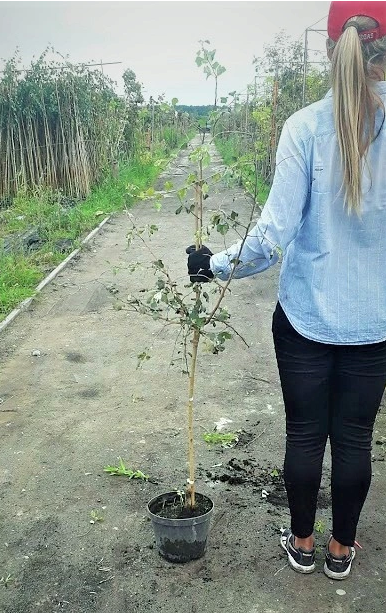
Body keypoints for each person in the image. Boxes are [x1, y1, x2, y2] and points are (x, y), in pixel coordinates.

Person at [187, 1, 386, 580]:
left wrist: (212, 264)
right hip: (374, 325)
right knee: (354, 439)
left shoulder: (303, 129)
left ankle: (302, 546)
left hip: (304, 318)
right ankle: (341, 554)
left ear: (329, 51)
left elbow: (272, 237)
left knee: (305, 435)